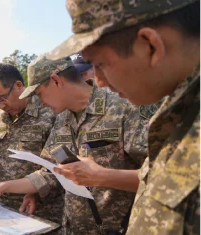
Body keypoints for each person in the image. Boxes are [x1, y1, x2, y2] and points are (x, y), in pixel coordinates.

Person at [47, 0, 200, 234]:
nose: (98, 81)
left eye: (101, 64)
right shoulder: (178, 112)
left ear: (150, 46)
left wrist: (103, 176)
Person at [0, 55, 159, 234]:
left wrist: (102, 176)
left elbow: (160, 177)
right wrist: (3, 187)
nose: (41, 102)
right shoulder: (63, 118)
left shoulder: (124, 107)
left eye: (39, 93)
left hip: (116, 229)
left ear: (56, 81)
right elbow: (50, 171)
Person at [0, 63, 62, 225]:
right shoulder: (2, 116)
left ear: (19, 85)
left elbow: (59, 168)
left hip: (41, 211)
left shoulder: (51, 111)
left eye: (2, 98)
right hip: (4, 208)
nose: (1, 105)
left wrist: (35, 192)